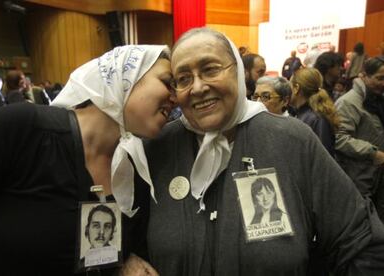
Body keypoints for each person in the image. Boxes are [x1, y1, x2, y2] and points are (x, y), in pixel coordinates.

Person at [141, 27, 384, 275]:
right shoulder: (157, 148)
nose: (198, 87)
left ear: (237, 72)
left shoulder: (292, 141)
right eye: (183, 78)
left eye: (210, 69)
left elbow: (361, 240)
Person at [0, 45, 172, 275]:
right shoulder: (22, 128)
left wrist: (126, 260)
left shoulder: (135, 170)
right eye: (168, 82)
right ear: (125, 75)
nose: (177, 97)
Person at [335, 57, 384, 219]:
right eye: (379, 78)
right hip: (358, 177)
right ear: (364, 76)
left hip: (375, 177)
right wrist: (373, 153)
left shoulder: (376, 99)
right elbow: (340, 138)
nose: (383, 83)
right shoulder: (349, 102)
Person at [289, 68, 339, 157]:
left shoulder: (317, 119)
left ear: (296, 88)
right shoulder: (304, 114)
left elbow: (322, 157)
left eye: (290, 86)